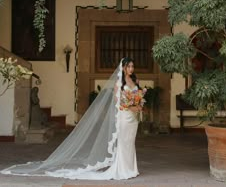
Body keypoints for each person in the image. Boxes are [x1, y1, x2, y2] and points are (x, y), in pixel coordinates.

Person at [1, 57, 142, 180]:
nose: (131, 68)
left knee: (130, 142)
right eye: (128, 66)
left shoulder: (135, 80)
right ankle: (122, 169)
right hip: (124, 116)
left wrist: (139, 104)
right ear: (123, 68)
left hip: (133, 119)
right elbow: (118, 102)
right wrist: (131, 106)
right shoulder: (119, 83)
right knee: (123, 143)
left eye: (132, 66)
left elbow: (138, 96)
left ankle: (131, 168)